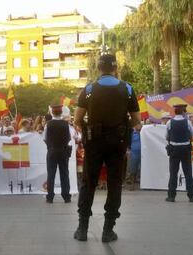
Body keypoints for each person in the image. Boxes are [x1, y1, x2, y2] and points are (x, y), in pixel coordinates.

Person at [73, 54, 140, 243]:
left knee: (88, 183)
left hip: (94, 143)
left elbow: (77, 119)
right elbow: (136, 120)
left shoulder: (88, 90)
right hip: (118, 144)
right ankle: (108, 230)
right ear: (115, 68)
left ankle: (82, 229)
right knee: (114, 184)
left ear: (98, 68)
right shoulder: (127, 89)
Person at [165, 104, 193, 203]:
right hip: (186, 149)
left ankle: (171, 196)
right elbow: (191, 135)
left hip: (174, 149)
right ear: (183, 112)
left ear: (175, 112)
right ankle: (192, 197)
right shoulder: (188, 122)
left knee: (173, 173)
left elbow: (166, 136)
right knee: (188, 173)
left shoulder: (169, 122)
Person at [43, 105, 72, 203]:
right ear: (61, 113)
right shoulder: (65, 124)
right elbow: (69, 138)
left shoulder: (48, 124)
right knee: (64, 174)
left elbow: (45, 138)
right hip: (63, 151)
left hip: (52, 151)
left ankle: (50, 197)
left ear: (52, 113)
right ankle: (66, 196)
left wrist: (50, 146)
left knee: (51, 174)